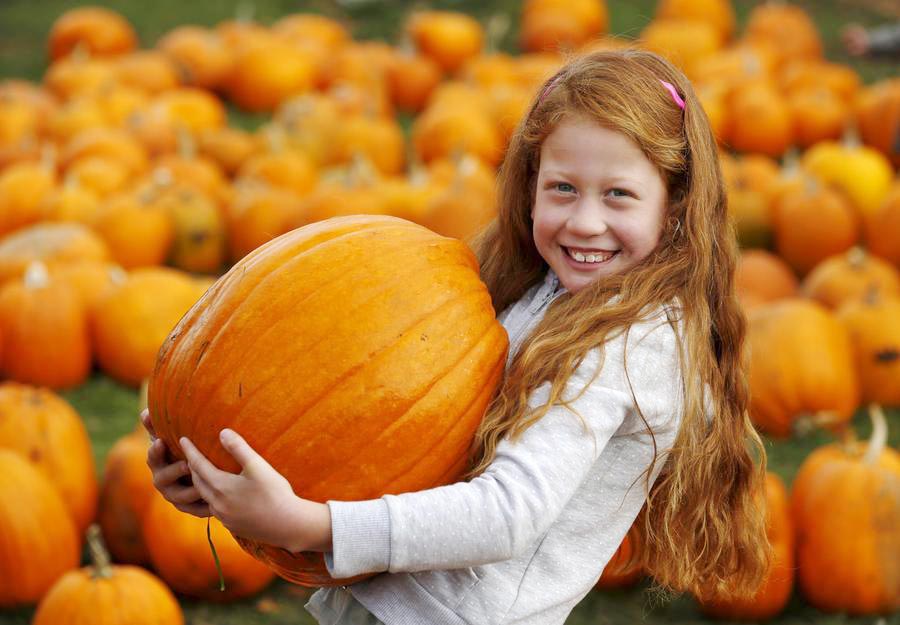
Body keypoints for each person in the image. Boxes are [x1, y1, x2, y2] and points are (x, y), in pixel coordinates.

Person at [143, 48, 771, 625]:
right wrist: (226, 478)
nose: (585, 221)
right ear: (529, 183)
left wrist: (312, 523)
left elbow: (508, 513)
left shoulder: (629, 347)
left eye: (619, 196)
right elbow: (400, 429)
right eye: (562, 188)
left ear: (677, 202)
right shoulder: (553, 289)